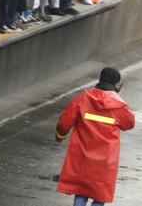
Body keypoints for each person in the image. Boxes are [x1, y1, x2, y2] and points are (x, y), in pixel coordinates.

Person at [55, 67, 135, 206]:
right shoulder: (119, 105)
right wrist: (118, 98)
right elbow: (128, 124)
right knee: (100, 193)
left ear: (100, 80)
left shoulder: (82, 98)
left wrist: (59, 137)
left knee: (81, 190)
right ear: (116, 84)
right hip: (106, 159)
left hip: (82, 156)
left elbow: (64, 123)